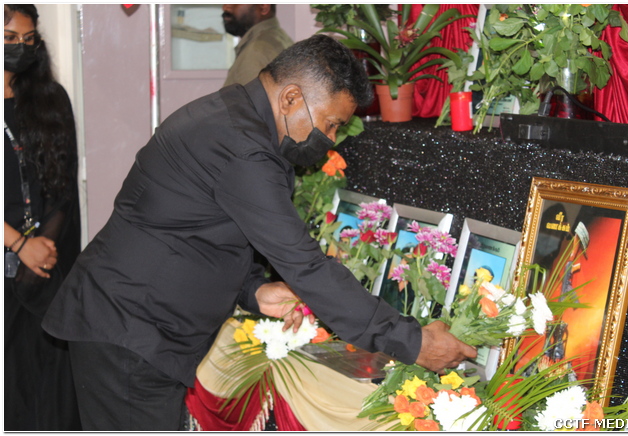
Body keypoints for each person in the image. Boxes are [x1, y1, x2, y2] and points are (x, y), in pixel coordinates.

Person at [42, 34, 477, 431]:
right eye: (331, 123)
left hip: (132, 326)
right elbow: (305, 264)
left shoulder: (236, 118)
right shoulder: (242, 147)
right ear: (291, 98)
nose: (331, 138)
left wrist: (253, 290)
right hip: (129, 333)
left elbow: (201, 227)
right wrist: (412, 341)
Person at [4, 4, 82, 431]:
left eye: (28, 39)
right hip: (10, 256)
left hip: (47, 268)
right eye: (9, 39)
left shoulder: (51, 100)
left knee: (51, 393)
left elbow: (62, 187)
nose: (20, 47)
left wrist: (43, 250)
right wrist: (18, 244)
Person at [222, 4, 293, 87]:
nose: (225, 7)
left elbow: (257, 95)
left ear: (263, 7)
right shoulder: (277, 37)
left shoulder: (257, 49)